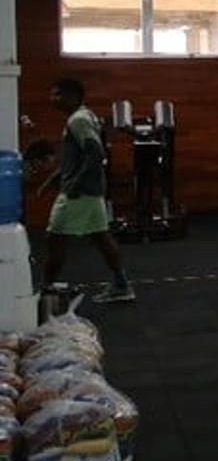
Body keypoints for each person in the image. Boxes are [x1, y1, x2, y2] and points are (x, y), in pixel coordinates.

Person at [38, 78, 134, 303]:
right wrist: (52, 180)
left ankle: (43, 288)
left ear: (72, 96)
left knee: (55, 237)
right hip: (91, 191)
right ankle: (121, 285)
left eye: (58, 94)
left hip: (78, 194)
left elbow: (96, 153)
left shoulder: (78, 120)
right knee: (101, 237)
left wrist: (74, 184)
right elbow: (77, 157)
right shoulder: (84, 116)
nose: (53, 99)